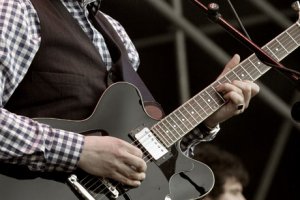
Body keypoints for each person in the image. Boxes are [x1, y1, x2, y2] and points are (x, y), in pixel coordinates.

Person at [0, 0, 259, 197]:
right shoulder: (17, 9)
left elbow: (141, 147)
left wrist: (206, 120)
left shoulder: (115, 33)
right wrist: (79, 151)